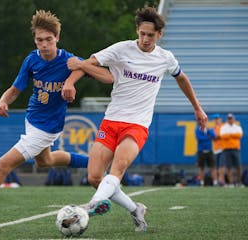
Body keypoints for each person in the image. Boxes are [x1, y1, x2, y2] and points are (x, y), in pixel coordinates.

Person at [0, 10, 113, 222]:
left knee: (3, 165)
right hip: (32, 120)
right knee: (45, 161)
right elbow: (15, 89)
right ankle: (96, 163)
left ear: (57, 38)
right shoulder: (32, 59)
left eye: (49, 39)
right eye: (40, 40)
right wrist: (2, 101)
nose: (44, 44)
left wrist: (70, 82)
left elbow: (93, 69)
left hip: (47, 127)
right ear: (34, 39)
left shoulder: (68, 60)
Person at [62, 6, 207, 232]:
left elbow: (182, 79)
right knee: (93, 177)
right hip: (111, 121)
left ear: (159, 35)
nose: (146, 39)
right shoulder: (122, 49)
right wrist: (71, 81)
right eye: (142, 33)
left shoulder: (165, 58)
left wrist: (197, 108)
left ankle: (89, 207)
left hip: (137, 124)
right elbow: (89, 62)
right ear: (137, 31)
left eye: (151, 35)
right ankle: (135, 208)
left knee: (116, 172)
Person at [220, 113, 243, 187]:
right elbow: (222, 136)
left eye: (231, 118)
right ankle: (231, 183)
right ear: (227, 119)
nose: (230, 120)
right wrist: (233, 135)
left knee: (238, 166)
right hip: (227, 149)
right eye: (229, 118)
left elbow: (239, 135)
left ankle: (239, 182)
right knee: (229, 166)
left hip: (235, 149)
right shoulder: (224, 127)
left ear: (233, 119)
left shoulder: (237, 127)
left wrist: (229, 135)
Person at [195, 121, 217, 186]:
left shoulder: (210, 129)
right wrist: (208, 137)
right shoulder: (197, 129)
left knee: (212, 167)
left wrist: (208, 130)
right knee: (201, 167)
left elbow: (214, 136)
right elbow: (199, 138)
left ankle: (215, 182)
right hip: (201, 151)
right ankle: (202, 182)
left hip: (209, 151)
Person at [212, 114, 226, 186]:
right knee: (216, 166)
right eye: (215, 119)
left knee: (221, 165)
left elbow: (222, 135)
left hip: (223, 148)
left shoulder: (223, 126)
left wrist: (217, 137)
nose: (216, 120)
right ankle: (217, 181)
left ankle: (222, 180)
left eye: (217, 119)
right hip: (215, 149)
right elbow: (213, 137)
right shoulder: (213, 128)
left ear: (220, 119)